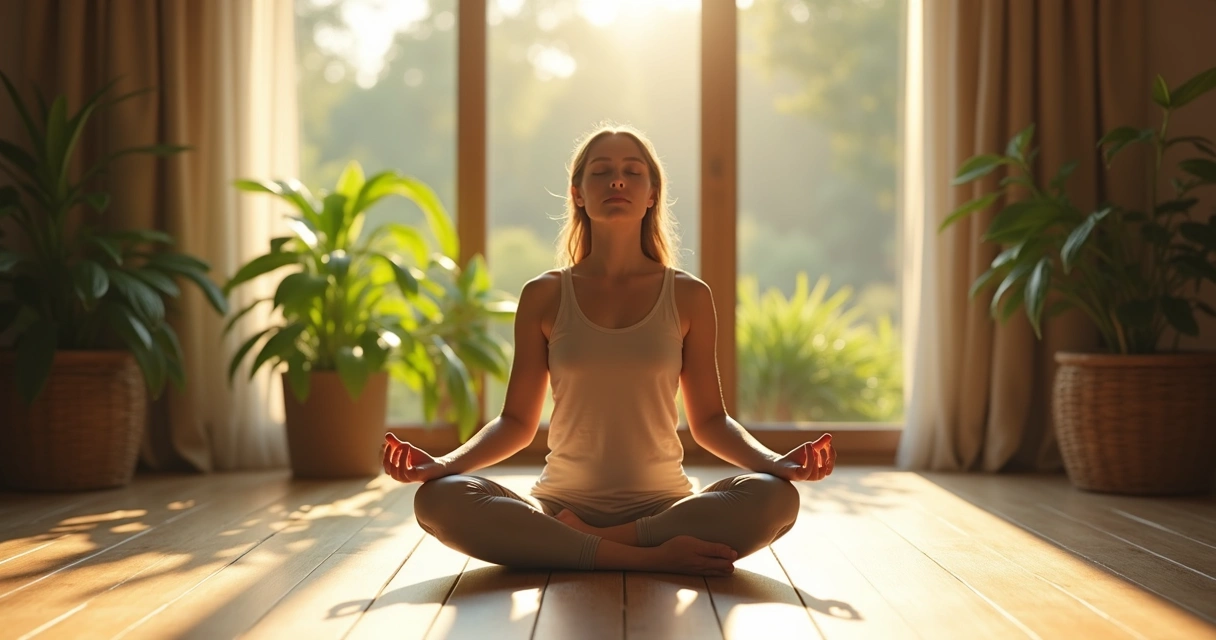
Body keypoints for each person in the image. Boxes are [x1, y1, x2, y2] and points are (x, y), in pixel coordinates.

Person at [382, 123, 836, 577]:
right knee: (438, 499)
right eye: (601, 172)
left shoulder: (688, 295)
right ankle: (648, 559)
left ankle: (589, 547)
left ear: (653, 193)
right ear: (578, 193)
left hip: (664, 513)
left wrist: (777, 463)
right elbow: (517, 423)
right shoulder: (544, 295)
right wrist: (442, 464)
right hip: (559, 506)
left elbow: (710, 422)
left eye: (632, 172)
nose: (617, 181)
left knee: (775, 497)